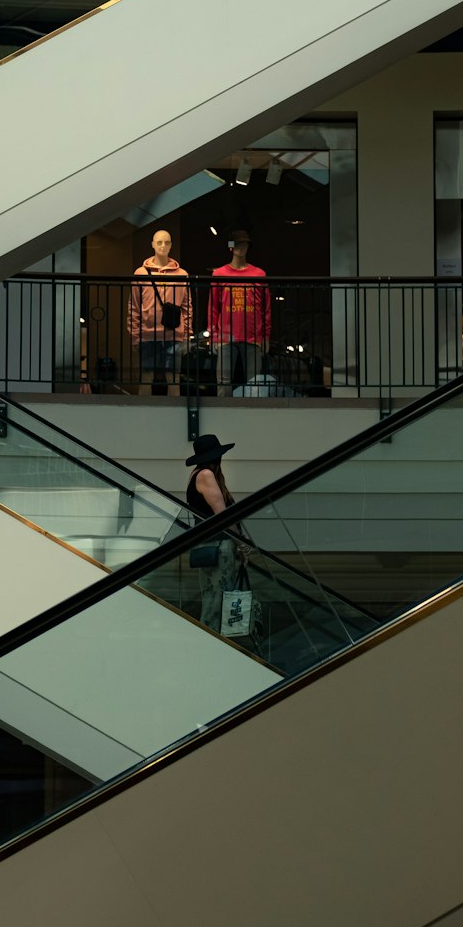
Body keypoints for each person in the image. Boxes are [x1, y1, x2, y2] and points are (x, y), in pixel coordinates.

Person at [185, 432, 246, 633]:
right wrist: (241, 544)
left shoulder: (196, 474)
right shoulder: (206, 475)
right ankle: (212, 645)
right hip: (218, 546)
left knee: (213, 599)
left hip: (208, 545)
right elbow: (223, 516)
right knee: (218, 602)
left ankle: (212, 645)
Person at [208, 228, 271, 396]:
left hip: (253, 337)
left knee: (254, 385)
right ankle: (224, 418)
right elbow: (213, 307)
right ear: (231, 247)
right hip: (226, 338)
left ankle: (252, 420)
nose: (241, 247)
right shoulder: (219, 274)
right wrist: (214, 335)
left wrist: (265, 336)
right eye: (237, 244)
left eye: (244, 244)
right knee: (224, 383)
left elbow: (266, 309)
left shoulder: (259, 275)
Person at [129, 228, 192, 395]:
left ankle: (174, 417)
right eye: (159, 242)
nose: (163, 246)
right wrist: (135, 335)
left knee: (173, 378)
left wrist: (186, 336)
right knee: (146, 377)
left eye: (166, 242)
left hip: (174, 334)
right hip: (148, 334)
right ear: (152, 245)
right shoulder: (141, 273)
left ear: (171, 245)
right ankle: (144, 416)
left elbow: (187, 308)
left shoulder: (182, 275)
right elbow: (134, 306)